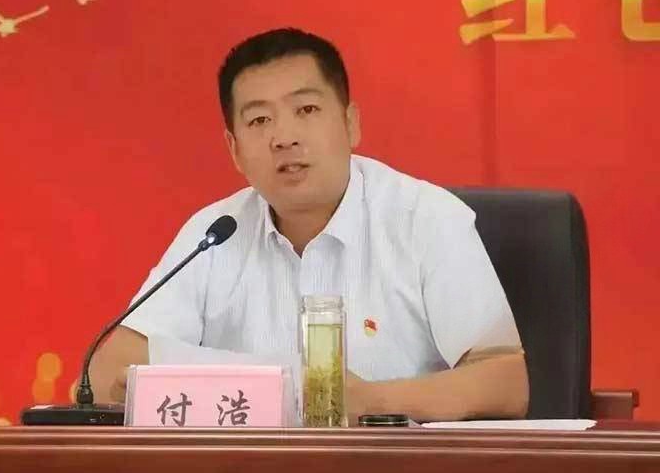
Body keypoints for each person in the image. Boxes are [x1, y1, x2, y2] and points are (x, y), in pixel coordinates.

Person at [90, 28, 528, 422]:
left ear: (350, 124)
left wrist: (370, 402)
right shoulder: (215, 233)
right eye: (259, 120)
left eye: (306, 109)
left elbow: (505, 382)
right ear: (235, 150)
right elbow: (104, 372)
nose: (284, 137)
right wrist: (271, 389)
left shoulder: (426, 219)